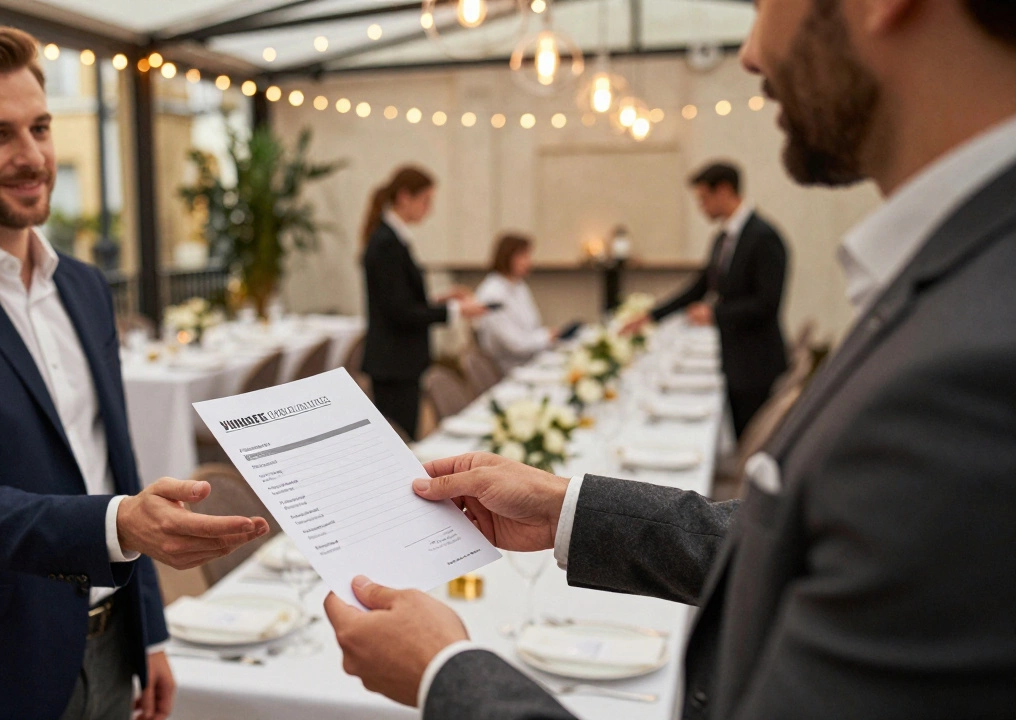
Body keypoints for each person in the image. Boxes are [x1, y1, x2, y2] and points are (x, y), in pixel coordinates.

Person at [325, 0, 1016, 718]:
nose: (749, 52)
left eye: (761, 4)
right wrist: (569, 509)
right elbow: (810, 549)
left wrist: (448, 675)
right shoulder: (966, 276)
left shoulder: (975, 370)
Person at [0, 26, 270, 720]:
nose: (33, 156)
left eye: (40, 127)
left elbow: (111, 464)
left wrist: (149, 631)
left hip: (107, 644)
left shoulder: (86, 288)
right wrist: (124, 524)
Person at [633, 162, 789, 437]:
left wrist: (715, 315)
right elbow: (700, 286)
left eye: (704, 199)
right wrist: (651, 315)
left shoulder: (763, 237)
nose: (701, 207)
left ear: (725, 191)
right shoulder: (723, 237)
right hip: (734, 357)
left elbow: (767, 304)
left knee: (752, 441)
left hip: (756, 362)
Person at [361, 165, 486, 439]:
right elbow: (398, 311)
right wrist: (455, 309)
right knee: (399, 438)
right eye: (426, 201)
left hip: (400, 360)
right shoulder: (386, 242)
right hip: (393, 362)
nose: (429, 209)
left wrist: (440, 299)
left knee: (405, 433)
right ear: (405, 197)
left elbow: (399, 298)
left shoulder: (395, 239)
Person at [473, 234, 555, 373]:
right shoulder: (492, 294)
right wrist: (547, 336)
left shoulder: (519, 286)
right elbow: (514, 344)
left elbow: (533, 325)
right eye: (523, 256)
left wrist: (548, 335)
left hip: (529, 361)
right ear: (507, 257)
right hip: (507, 369)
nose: (528, 262)